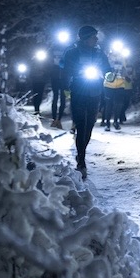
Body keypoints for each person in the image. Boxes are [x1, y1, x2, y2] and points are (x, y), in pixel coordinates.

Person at [60, 25, 112, 179]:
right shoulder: (72, 53)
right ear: (85, 38)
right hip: (78, 91)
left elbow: (107, 67)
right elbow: (65, 70)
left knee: (89, 125)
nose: (96, 39)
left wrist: (109, 74)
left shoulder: (99, 53)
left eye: (96, 37)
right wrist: (66, 87)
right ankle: (81, 160)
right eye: (93, 37)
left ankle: (81, 152)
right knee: (81, 124)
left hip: (95, 92)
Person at [49, 32, 70, 129]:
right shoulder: (53, 48)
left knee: (63, 98)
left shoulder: (67, 49)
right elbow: (48, 61)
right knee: (55, 97)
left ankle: (59, 120)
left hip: (65, 77)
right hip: (55, 76)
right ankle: (54, 119)